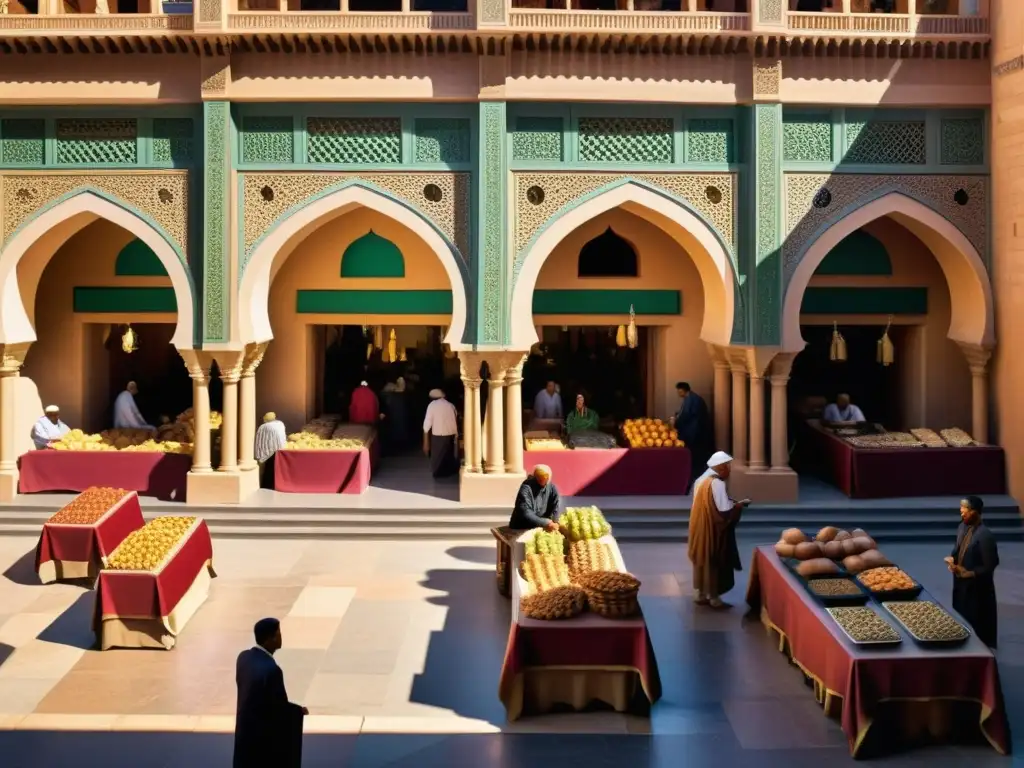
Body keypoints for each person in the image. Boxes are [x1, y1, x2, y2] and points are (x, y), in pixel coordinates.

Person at [233, 618, 307, 768]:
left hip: (243, 736)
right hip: (260, 742)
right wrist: (299, 711)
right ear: (269, 640)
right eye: (278, 634)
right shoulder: (272, 670)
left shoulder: (243, 658)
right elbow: (279, 708)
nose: (281, 637)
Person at [687, 451, 750, 609]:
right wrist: (740, 505)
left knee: (702, 558)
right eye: (728, 466)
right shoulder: (717, 483)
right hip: (712, 528)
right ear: (720, 468)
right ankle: (714, 597)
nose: (729, 470)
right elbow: (723, 510)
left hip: (699, 525)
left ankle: (700, 593)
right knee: (713, 559)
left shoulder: (700, 480)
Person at [946, 496, 999, 647]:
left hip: (977, 590)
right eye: (961, 512)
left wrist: (970, 573)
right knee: (960, 617)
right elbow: (957, 550)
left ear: (975, 512)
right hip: (961, 583)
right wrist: (952, 561)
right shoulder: (962, 527)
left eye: (965, 512)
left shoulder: (985, 536)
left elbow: (991, 564)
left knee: (977, 622)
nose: (962, 515)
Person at [670, 382, 713, 485]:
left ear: (683, 390)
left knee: (695, 455)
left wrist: (675, 421)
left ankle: (694, 476)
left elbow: (686, 415)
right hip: (696, 431)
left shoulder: (692, 399)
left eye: (679, 391)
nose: (678, 393)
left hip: (694, 432)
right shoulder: (691, 398)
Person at [508, 465, 562, 531]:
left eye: (545, 478)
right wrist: (546, 522)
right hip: (521, 527)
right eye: (539, 478)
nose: (541, 481)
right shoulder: (526, 487)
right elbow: (525, 512)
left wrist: (555, 521)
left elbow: (556, 506)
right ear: (535, 476)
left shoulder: (552, 488)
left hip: (540, 527)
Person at [423, 388, 459, 478]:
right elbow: (456, 418)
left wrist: (425, 442)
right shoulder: (451, 405)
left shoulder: (432, 405)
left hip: (438, 436)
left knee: (438, 458)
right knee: (448, 455)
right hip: (450, 435)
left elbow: (427, 425)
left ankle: (439, 473)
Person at [255, 412, 287, 489]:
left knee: (269, 469)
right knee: (275, 468)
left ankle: (267, 485)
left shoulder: (263, 427)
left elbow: (261, 440)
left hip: (269, 450)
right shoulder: (280, 424)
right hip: (279, 449)